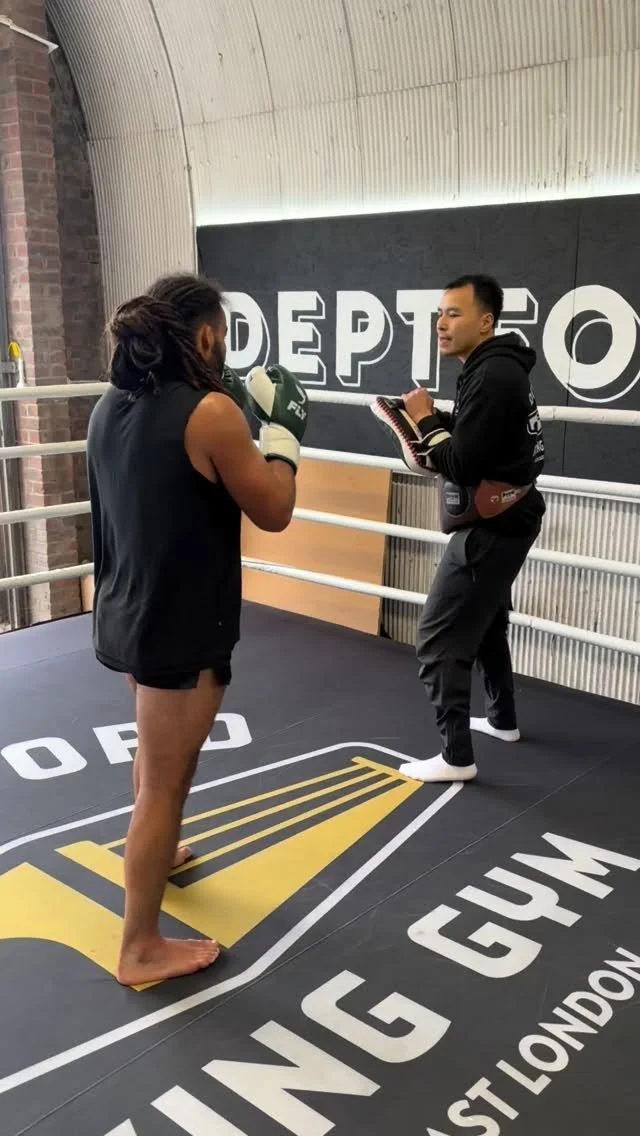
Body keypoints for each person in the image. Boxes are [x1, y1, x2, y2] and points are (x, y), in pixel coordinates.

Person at [86, 271, 309, 985]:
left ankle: (160, 853)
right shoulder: (210, 414)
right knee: (166, 783)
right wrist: (284, 436)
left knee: (155, 761)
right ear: (207, 337)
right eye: (225, 339)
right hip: (181, 625)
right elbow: (274, 508)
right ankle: (140, 947)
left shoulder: (110, 404)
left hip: (127, 611)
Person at [372, 274, 545, 783]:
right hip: (515, 515)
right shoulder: (494, 367)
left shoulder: (490, 375)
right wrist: (434, 418)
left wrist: (424, 421)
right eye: (439, 314)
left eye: (454, 313)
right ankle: (502, 719)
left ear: (486, 321)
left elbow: (462, 464)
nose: (441, 324)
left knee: (437, 637)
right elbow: (482, 437)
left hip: (494, 527)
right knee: (487, 619)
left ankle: (456, 757)